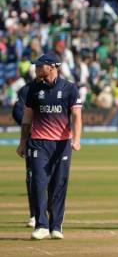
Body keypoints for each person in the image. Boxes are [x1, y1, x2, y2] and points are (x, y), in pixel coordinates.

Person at [16, 53, 82, 240]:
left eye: (39, 66)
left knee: (58, 185)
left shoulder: (69, 88)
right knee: (38, 183)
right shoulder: (33, 89)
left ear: (52, 67)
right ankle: (41, 225)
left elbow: (76, 116)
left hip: (61, 144)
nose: (35, 69)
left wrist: (76, 139)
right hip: (38, 143)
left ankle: (56, 225)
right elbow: (27, 118)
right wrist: (22, 143)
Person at [12, 76, 42, 228]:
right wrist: (30, 126)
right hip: (34, 139)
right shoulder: (26, 90)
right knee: (32, 177)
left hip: (54, 139)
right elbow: (17, 111)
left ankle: (53, 217)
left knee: (55, 178)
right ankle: (35, 215)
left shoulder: (62, 88)